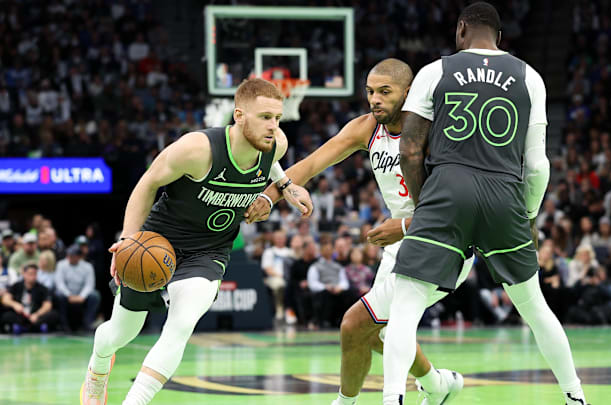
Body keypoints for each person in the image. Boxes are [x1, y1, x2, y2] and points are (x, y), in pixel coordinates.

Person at [379, 3, 589, 404]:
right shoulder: (530, 77)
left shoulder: (434, 72)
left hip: (447, 191)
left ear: (461, 30)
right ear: (500, 37)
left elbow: (408, 151)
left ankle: (393, 400)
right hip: (503, 196)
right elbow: (539, 165)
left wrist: (426, 207)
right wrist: (527, 214)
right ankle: (575, 396)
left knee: (406, 304)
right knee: (535, 307)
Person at [245, 58, 473, 405]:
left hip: (442, 241)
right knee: (369, 330)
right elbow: (309, 165)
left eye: (385, 91)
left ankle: (352, 401)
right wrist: (271, 195)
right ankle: (437, 384)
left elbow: (460, 202)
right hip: (403, 242)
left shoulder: (435, 130)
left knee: (356, 324)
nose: (375, 99)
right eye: (370, 92)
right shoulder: (367, 128)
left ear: (408, 93)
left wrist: (404, 225)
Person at [80, 78, 313, 405]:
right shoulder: (197, 149)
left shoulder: (277, 143)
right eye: (264, 117)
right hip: (158, 242)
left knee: (182, 323)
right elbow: (147, 183)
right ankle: (98, 368)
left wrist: (285, 186)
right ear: (239, 115)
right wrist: (128, 240)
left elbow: (271, 162)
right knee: (121, 332)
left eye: (277, 117)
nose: (273, 126)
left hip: (209, 251)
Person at [1, 263, 60, 334]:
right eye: (30, 274)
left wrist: (37, 314)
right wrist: (14, 304)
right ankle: (33, 328)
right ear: (24, 274)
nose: (33, 276)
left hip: (36, 316)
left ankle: (26, 328)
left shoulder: (42, 288)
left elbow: (47, 305)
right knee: (6, 315)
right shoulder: (16, 286)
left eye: (35, 274)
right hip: (21, 315)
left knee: (54, 315)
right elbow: (5, 299)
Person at [55, 244, 100, 332]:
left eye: (72, 255)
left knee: (95, 295)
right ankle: (63, 324)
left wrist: (82, 296)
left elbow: (89, 284)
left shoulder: (87, 266)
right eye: (68, 255)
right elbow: (60, 284)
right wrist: (69, 295)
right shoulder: (61, 265)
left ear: (79, 256)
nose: (70, 257)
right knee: (58, 295)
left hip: (81, 296)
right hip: (67, 295)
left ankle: (87, 323)